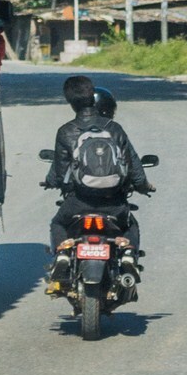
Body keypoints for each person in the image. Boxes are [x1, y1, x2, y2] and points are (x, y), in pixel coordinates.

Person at [46, 76, 153, 253]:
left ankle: (62, 254)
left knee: (58, 223)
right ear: (91, 96)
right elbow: (132, 164)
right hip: (114, 204)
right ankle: (128, 255)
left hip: (78, 202)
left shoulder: (65, 131)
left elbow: (60, 172)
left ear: (69, 101)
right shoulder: (114, 128)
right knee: (131, 226)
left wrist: (52, 182)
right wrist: (144, 186)